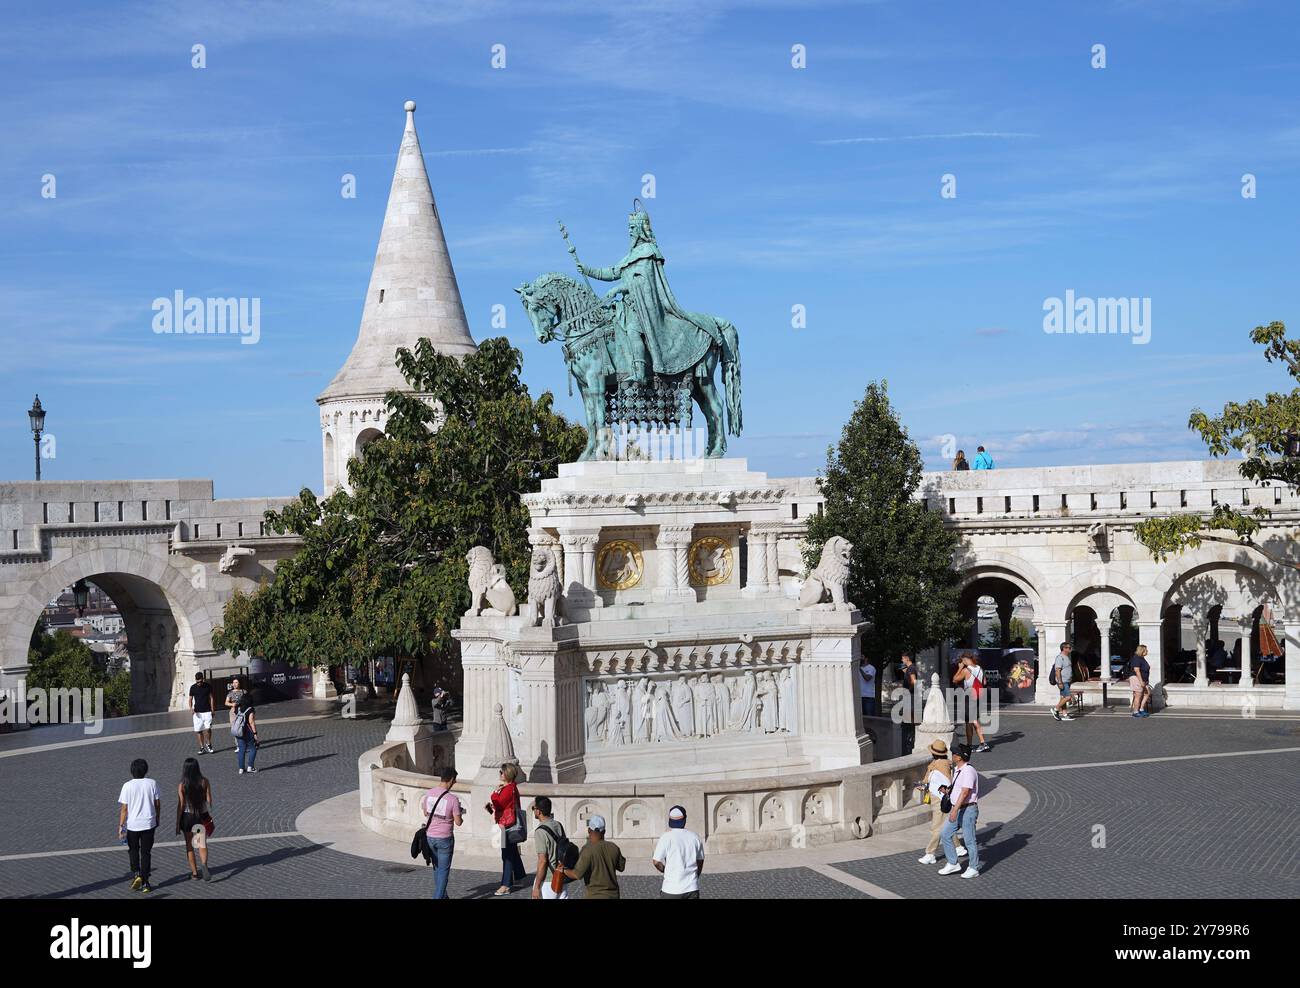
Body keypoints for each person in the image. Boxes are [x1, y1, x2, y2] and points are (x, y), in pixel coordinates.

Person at [916, 739, 965, 865]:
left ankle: (930, 853)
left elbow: (947, 783)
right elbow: (937, 781)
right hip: (937, 799)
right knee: (946, 825)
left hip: (939, 800)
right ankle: (959, 848)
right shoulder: (939, 763)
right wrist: (925, 786)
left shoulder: (940, 765)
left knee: (936, 828)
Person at [556, 814, 626, 899]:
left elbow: (577, 875)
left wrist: (563, 870)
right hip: (613, 895)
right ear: (604, 831)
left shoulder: (587, 850)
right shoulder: (613, 847)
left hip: (594, 895)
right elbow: (621, 867)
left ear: (589, 830)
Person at [937, 743, 981, 879]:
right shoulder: (958, 769)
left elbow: (965, 792)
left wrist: (955, 810)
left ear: (960, 757)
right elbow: (958, 789)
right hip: (959, 808)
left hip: (967, 809)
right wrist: (947, 790)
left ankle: (974, 867)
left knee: (969, 840)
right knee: (945, 833)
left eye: (955, 753)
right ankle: (953, 863)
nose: (953, 755)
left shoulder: (968, 771)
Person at [118, 758, 160, 893]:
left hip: (133, 825)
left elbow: (124, 808)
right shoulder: (152, 783)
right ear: (145, 770)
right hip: (148, 823)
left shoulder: (127, 786)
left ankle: (136, 873)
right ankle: (146, 881)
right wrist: (157, 818)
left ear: (132, 771)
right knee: (146, 853)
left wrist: (121, 825)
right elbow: (157, 804)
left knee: (133, 850)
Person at [421, 767, 462, 899]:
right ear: (450, 780)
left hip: (430, 837)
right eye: (454, 781)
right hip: (445, 839)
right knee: (443, 872)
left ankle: (444, 896)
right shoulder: (452, 799)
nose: (454, 784)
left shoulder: (429, 794)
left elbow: (425, 812)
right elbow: (458, 822)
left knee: (437, 868)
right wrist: (459, 812)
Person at [486, 762, 526, 896]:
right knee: (512, 851)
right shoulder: (511, 787)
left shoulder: (508, 789)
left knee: (507, 855)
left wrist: (495, 793)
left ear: (507, 774)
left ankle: (506, 885)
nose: (500, 774)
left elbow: (498, 802)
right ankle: (519, 876)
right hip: (507, 823)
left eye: (501, 772)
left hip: (505, 825)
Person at [653, 805, 705, 898]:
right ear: (684, 820)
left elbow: (656, 862)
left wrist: (665, 870)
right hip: (691, 888)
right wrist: (695, 876)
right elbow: (700, 860)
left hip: (670, 889)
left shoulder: (666, 837)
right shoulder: (695, 837)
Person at [176, 756, 213, 881]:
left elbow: (181, 805)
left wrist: (177, 823)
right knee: (201, 844)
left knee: (189, 846)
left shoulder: (182, 785)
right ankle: (204, 864)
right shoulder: (204, 781)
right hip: (200, 816)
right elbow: (209, 800)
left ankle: (195, 873)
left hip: (187, 817)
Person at [530, 796, 570, 900]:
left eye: (533, 808)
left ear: (538, 811)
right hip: (562, 876)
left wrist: (537, 887)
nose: (533, 811)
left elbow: (543, 861)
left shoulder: (540, 831)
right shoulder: (558, 825)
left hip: (548, 881)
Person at [952, 653, 991, 752]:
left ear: (965, 660)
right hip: (978, 696)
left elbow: (954, 680)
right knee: (969, 722)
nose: (962, 663)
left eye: (962, 661)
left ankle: (983, 743)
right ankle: (969, 745)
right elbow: (985, 682)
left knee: (972, 720)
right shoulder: (980, 668)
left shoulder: (966, 670)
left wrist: (960, 668)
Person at [232, 692, 259, 774]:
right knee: (253, 748)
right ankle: (250, 767)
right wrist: (255, 733)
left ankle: (241, 768)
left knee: (241, 750)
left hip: (239, 731)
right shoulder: (250, 709)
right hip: (247, 731)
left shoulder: (238, 708)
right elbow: (251, 722)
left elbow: (234, 712)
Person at [189, 671, 214, 754]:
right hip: (197, 712)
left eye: (200, 681)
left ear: (203, 679)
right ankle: (202, 747)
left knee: (208, 729)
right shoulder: (193, 687)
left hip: (207, 711)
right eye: (197, 682)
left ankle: (209, 744)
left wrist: (213, 709)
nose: (199, 683)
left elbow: (211, 698)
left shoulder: (208, 686)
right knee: (198, 730)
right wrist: (191, 708)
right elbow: (190, 699)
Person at [899, 654, 919, 754]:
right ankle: (910, 741)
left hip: (910, 697)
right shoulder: (910, 669)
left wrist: (909, 691)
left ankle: (910, 743)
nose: (902, 660)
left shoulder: (911, 669)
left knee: (910, 721)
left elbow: (914, 682)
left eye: (902, 658)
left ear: (907, 658)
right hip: (911, 697)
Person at [1050, 642, 1075, 722]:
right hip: (1063, 681)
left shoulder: (1066, 657)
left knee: (1063, 697)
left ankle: (1065, 714)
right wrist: (1060, 682)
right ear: (1064, 648)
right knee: (1068, 697)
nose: (1070, 649)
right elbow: (1057, 671)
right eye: (1069, 647)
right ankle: (1055, 709)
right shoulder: (1060, 658)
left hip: (1066, 681)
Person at [1129, 644, 1153, 718]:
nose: (1147, 651)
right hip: (1136, 678)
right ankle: (1136, 711)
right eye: (1146, 650)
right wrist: (1141, 681)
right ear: (1142, 651)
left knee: (1147, 693)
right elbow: (1137, 670)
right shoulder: (1136, 658)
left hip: (1143, 679)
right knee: (1138, 695)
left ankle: (1141, 709)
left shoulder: (1142, 658)